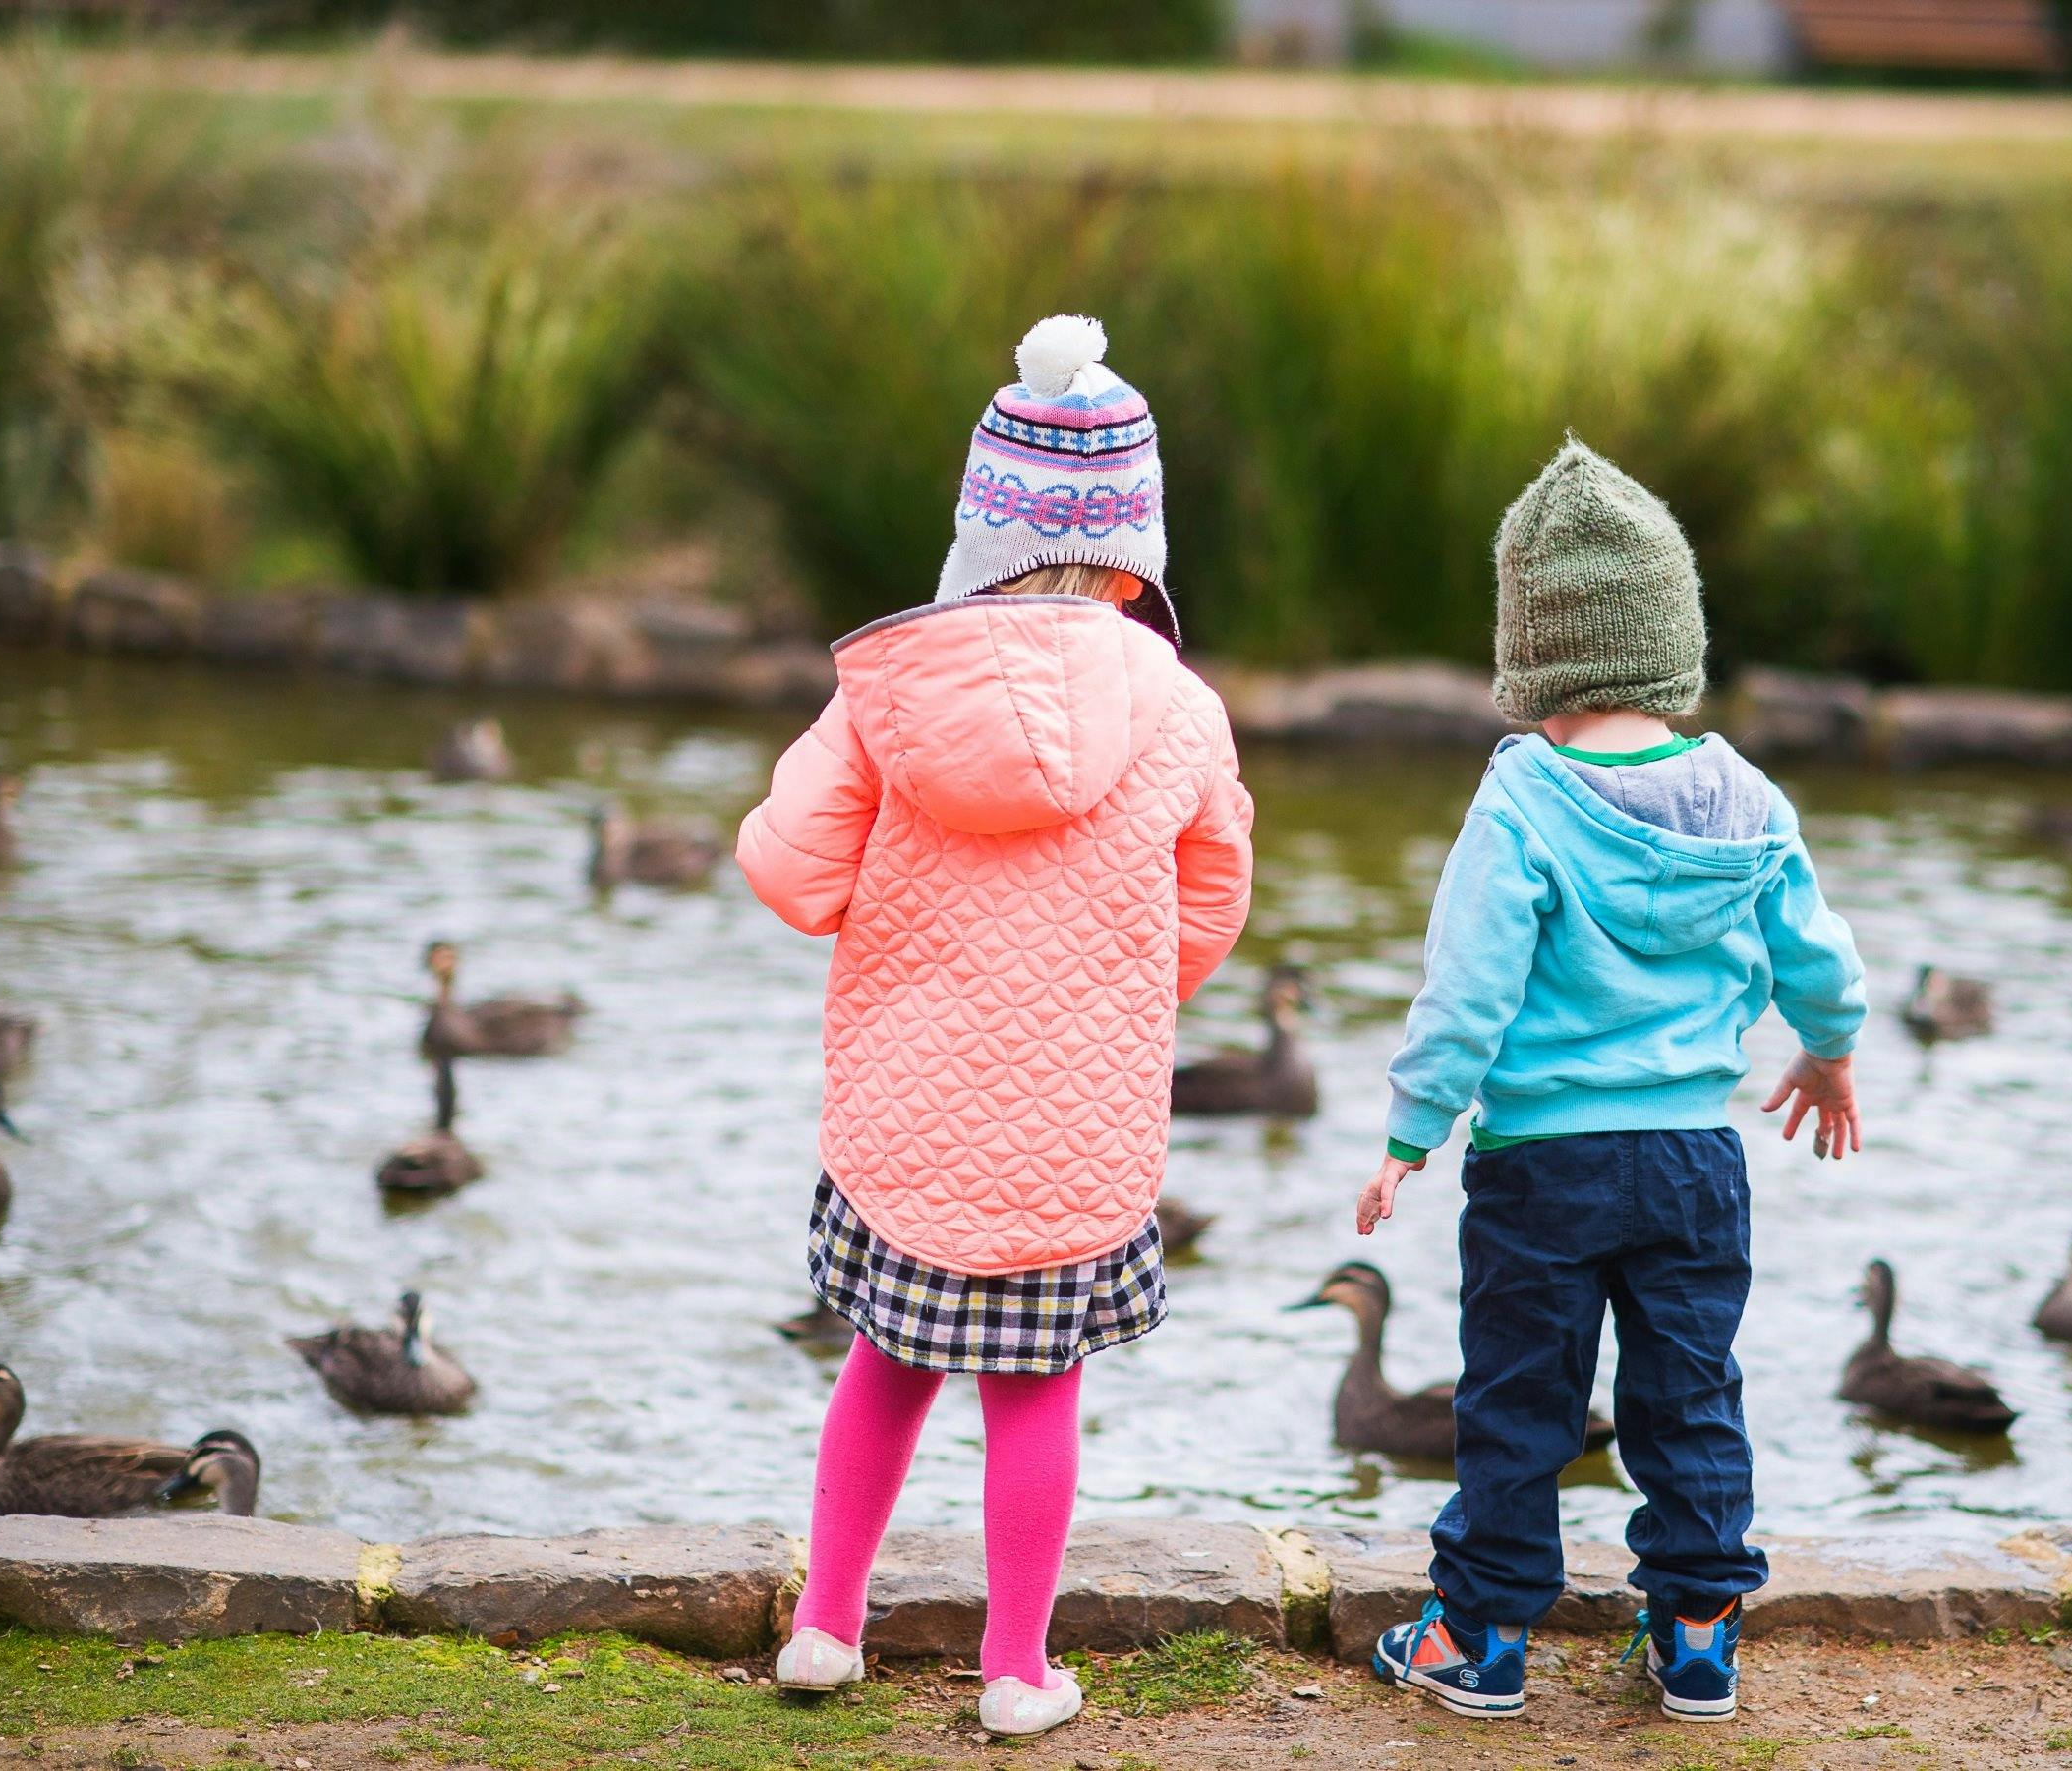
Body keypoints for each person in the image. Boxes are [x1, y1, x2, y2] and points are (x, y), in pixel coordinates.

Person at [736, 315, 1253, 1740]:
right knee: (1036, 1393)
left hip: (904, 1116)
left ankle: (827, 1626)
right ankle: (1017, 1670)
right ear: (1136, 541)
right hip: (1076, 1130)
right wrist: (1116, 993)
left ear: (979, 528)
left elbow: (789, 874)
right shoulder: (1184, 713)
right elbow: (1209, 912)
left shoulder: (886, 696)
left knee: (885, 1360)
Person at [1357, 441, 1867, 1724]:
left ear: (1535, 658)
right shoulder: (1746, 795)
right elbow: (1818, 948)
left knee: (1520, 1395)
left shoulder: (1526, 793)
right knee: (1689, 1388)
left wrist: (1411, 1131)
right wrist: (1831, 1046)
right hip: (1696, 1157)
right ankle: (1697, 1628)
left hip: (1544, 1163)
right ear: (1669, 642)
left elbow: (1467, 985)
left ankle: (1477, 1635)